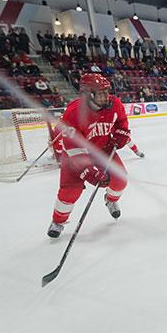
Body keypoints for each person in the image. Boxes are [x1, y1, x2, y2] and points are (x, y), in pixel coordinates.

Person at [47, 73, 132, 238]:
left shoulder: (115, 104)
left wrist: (122, 132)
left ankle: (111, 200)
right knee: (70, 191)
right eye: (101, 92)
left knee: (120, 179)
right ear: (87, 95)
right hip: (74, 155)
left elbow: (121, 121)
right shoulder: (73, 113)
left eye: (107, 91)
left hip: (103, 149)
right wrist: (89, 171)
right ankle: (58, 221)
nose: (107, 96)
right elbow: (74, 148)